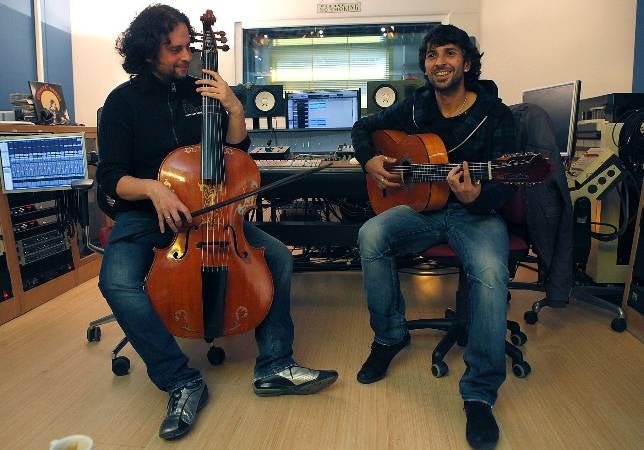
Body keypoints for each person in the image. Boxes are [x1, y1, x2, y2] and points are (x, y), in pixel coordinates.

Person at [96, 4, 337, 441]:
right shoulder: (121, 103)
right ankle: (180, 380)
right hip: (147, 215)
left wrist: (233, 106)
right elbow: (111, 177)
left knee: (279, 257)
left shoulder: (202, 91)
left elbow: (237, 152)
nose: (186, 57)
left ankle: (276, 364)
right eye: (174, 49)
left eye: (188, 47)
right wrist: (153, 189)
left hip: (212, 214)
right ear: (148, 52)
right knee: (116, 282)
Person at [351, 24, 516, 449]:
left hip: (475, 213)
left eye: (449, 53)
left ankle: (479, 392)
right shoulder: (416, 106)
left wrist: (478, 196)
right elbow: (362, 127)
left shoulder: (495, 115)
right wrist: (370, 161)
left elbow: (507, 183)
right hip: (424, 208)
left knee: (491, 273)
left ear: (467, 63)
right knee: (371, 235)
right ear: (425, 66)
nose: (439, 62)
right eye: (431, 55)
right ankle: (390, 337)